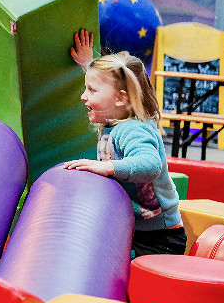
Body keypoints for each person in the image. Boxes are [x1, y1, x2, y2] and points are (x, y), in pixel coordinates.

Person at [64, 29, 186, 257]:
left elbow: (151, 164)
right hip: (135, 228)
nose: (83, 96)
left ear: (121, 98)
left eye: (91, 90)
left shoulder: (132, 129)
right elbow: (111, 86)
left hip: (159, 237)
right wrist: (88, 63)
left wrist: (107, 167)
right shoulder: (118, 114)